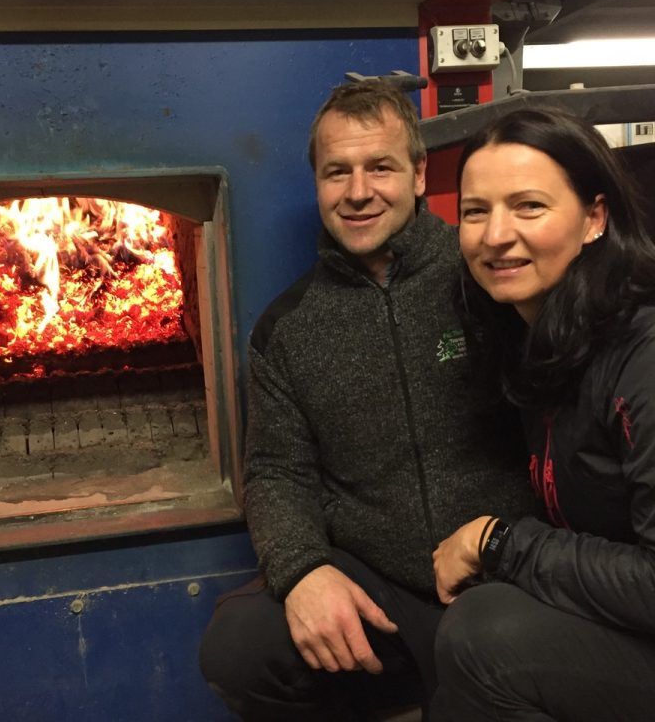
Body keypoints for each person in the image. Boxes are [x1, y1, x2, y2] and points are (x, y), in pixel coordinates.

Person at [199, 80, 536, 721]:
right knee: (238, 646)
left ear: (417, 174)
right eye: (337, 172)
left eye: (379, 166)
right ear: (317, 184)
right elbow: (276, 472)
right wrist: (302, 573)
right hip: (384, 590)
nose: (358, 192)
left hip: (505, 572)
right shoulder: (287, 327)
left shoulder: (492, 279)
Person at [431, 107, 655, 721]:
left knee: (484, 636)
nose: (496, 234)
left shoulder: (642, 352)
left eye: (529, 206)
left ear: (594, 219)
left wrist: (500, 544)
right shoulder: (539, 336)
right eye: (476, 211)